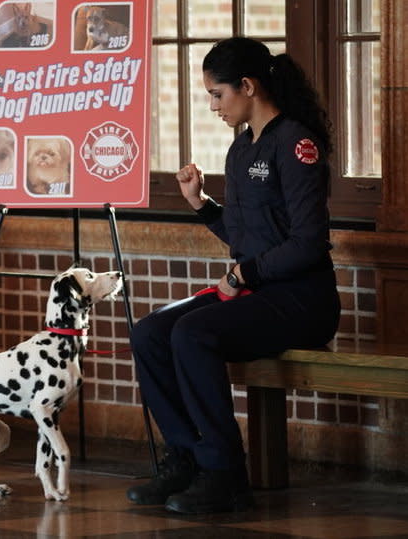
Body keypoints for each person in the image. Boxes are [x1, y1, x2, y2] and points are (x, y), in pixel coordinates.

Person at [126, 37, 341, 514]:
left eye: (217, 94)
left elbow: (308, 243)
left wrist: (245, 273)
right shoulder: (241, 149)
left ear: (248, 86)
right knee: (149, 334)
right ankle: (186, 460)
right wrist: (202, 206)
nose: (212, 106)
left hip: (302, 301)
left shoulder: (296, 144)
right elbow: (249, 237)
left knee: (193, 333)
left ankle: (224, 473)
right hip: (256, 293)